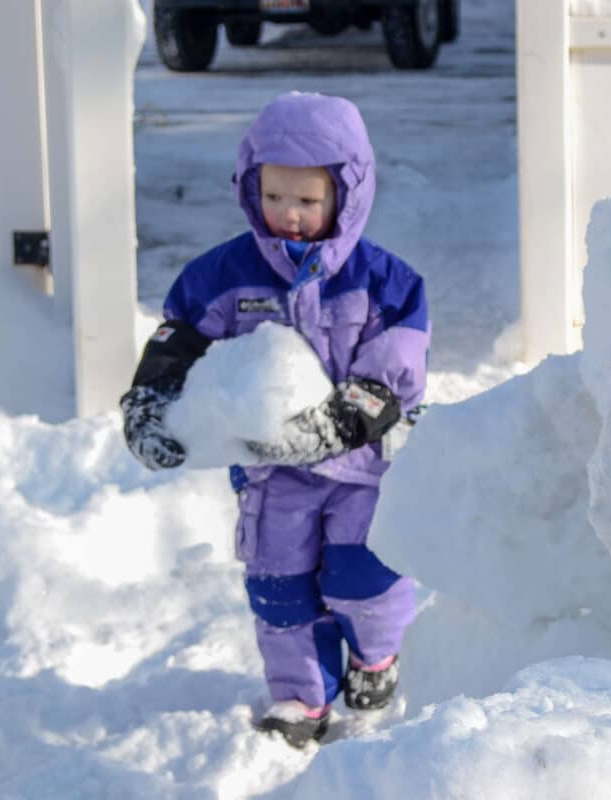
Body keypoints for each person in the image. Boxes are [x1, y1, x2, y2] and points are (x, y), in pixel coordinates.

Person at [119, 92, 429, 748]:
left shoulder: (388, 285)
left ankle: (376, 657)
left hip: (361, 473)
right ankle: (299, 699)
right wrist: (152, 404)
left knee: (361, 582)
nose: (288, 214)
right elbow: (177, 345)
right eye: (274, 195)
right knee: (280, 591)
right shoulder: (222, 277)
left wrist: (334, 426)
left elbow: (391, 376)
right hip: (270, 475)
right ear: (250, 186)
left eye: (308, 201)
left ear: (347, 196)